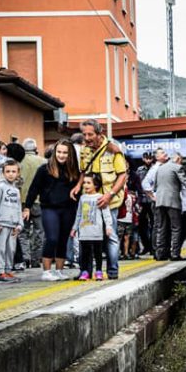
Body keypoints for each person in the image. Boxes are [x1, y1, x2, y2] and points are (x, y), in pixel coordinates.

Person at [74, 119, 128, 280]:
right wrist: (78, 186)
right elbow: (83, 171)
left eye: (90, 134)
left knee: (110, 236)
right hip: (90, 202)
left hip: (109, 201)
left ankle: (112, 271)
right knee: (85, 235)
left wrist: (109, 194)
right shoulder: (85, 150)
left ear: (99, 134)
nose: (87, 137)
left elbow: (122, 174)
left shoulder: (113, 150)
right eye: (84, 134)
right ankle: (86, 271)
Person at [24, 140, 80, 282]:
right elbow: (33, 188)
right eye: (59, 152)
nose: (61, 155)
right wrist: (27, 207)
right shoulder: (44, 169)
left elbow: (78, 190)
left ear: (70, 154)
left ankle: (59, 271)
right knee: (52, 238)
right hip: (49, 208)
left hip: (68, 208)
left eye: (65, 152)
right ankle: (47, 271)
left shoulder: (74, 171)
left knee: (63, 239)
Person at [71, 173, 111, 281]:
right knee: (85, 253)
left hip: (97, 232)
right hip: (84, 231)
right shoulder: (82, 198)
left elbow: (106, 213)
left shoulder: (100, 197)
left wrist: (108, 226)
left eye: (89, 183)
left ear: (96, 185)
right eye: (84, 182)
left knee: (98, 252)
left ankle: (98, 271)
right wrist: (74, 228)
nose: (85, 185)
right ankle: (85, 271)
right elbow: (79, 214)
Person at [0, 159, 23, 283]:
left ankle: (8, 271)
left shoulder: (16, 189)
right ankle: (0, 272)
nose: (10, 174)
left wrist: (20, 224)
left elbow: (19, 207)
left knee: (11, 249)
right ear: (3, 173)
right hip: (2, 224)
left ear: (18, 173)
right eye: (7, 171)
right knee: (1, 248)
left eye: (13, 171)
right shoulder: (0, 187)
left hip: (13, 224)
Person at [152, 152, 186, 261]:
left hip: (159, 201)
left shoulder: (160, 168)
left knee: (161, 227)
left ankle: (160, 253)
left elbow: (154, 186)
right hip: (172, 202)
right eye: (181, 159)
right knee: (176, 228)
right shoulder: (177, 167)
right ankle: (175, 254)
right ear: (177, 159)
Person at [19, 138, 46, 269]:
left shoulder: (19, 162)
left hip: (22, 201)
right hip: (39, 201)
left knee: (23, 231)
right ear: (36, 149)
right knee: (39, 231)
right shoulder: (43, 162)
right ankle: (36, 259)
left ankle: (25, 258)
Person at [135, 152, 154, 255]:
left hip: (152, 199)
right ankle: (146, 246)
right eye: (146, 158)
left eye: (150, 158)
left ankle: (153, 246)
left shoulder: (155, 169)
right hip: (142, 200)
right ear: (143, 159)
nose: (148, 160)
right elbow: (138, 185)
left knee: (154, 224)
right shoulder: (139, 170)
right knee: (142, 225)